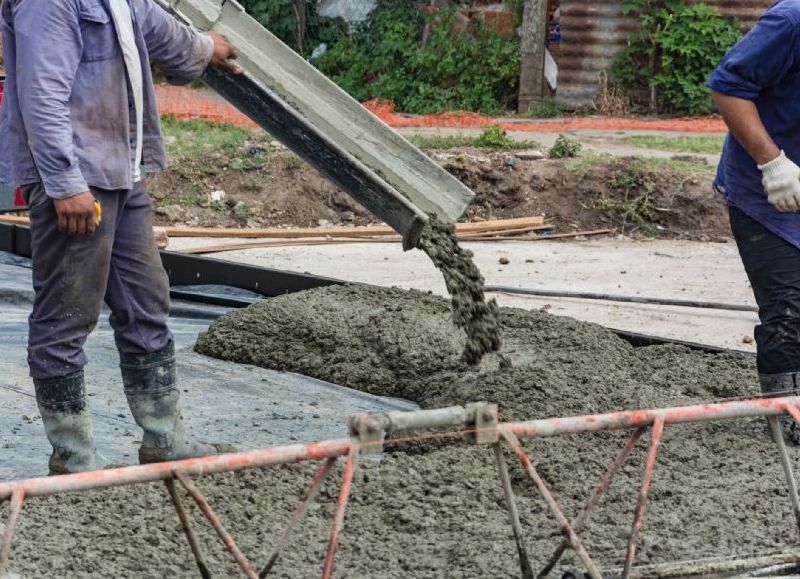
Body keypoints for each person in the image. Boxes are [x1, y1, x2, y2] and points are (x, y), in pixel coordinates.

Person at [0, 0, 242, 474]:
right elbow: (40, 93)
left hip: (122, 171)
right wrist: (65, 184)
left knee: (146, 302)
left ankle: (164, 439)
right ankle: (73, 458)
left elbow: (158, 31)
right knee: (68, 314)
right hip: (76, 180)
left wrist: (207, 47)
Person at [708, 0, 800, 444]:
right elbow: (727, 88)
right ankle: (787, 420)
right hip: (769, 191)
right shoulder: (792, 21)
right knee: (789, 307)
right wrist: (772, 163)